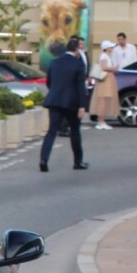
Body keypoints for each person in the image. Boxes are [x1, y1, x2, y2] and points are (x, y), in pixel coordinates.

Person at [39, 39, 89, 173]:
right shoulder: (78, 64)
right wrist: (82, 105)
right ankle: (78, 161)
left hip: (54, 101)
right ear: (76, 50)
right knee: (74, 131)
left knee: (51, 131)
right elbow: (80, 86)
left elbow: (49, 82)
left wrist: (56, 93)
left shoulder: (55, 62)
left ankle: (43, 160)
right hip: (71, 103)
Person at [90, 40, 119, 130]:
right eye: (110, 47)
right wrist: (114, 68)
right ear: (106, 48)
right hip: (105, 80)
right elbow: (104, 67)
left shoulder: (106, 56)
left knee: (104, 100)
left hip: (108, 79)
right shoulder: (104, 56)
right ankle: (101, 121)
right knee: (102, 100)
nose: (112, 48)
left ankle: (102, 121)